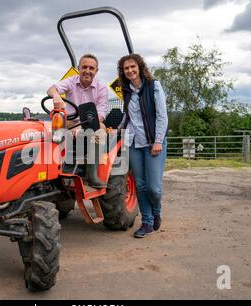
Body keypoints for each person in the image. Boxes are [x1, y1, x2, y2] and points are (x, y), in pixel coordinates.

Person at [117, 53, 168, 238]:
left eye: (132, 67)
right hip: (133, 143)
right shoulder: (127, 90)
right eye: (126, 68)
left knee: (154, 187)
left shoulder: (154, 86)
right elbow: (128, 116)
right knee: (140, 185)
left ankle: (157, 211)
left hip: (153, 142)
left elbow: (162, 115)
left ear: (139, 67)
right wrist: (116, 129)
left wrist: (158, 141)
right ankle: (146, 222)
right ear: (123, 72)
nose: (130, 70)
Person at [47, 53, 109, 188]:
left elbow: (100, 114)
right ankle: (54, 171)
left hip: (91, 124)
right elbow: (51, 89)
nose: (87, 71)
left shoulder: (102, 88)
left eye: (91, 68)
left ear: (96, 71)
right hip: (69, 122)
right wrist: (56, 95)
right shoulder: (71, 81)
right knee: (50, 134)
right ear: (78, 68)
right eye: (84, 67)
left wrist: (81, 127)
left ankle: (91, 175)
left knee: (100, 132)